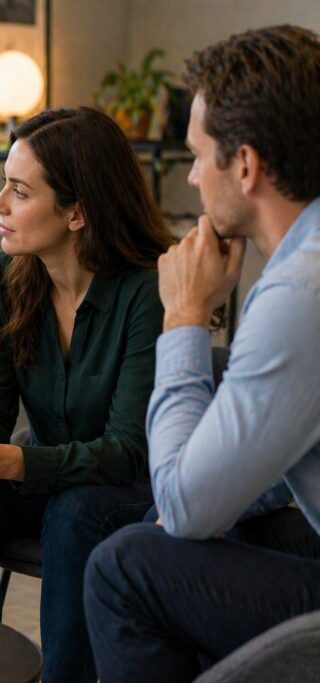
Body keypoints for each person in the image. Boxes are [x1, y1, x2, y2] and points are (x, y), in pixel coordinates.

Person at [84, 25, 320, 683]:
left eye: (197, 155)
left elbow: (187, 505)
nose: (189, 176)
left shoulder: (302, 291)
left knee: (124, 567)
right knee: (198, 525)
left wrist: (186, 318)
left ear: (245, 166)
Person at [0, 107, 174, 683]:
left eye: (18, 191)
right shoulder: (4, 278)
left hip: (137, 486)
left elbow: (130, 448)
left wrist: (9, 461)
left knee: (76, 510)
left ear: (77, 212)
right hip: (48, 473)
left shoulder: (149, 289)